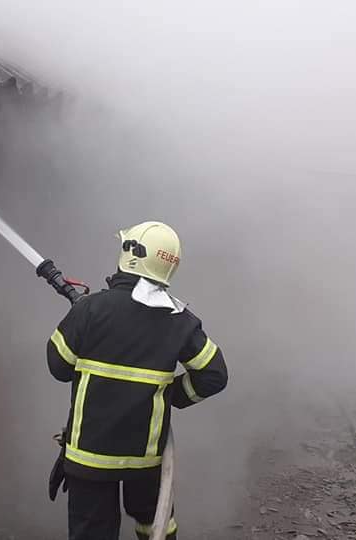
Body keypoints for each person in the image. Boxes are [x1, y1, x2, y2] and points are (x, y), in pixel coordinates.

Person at [47, 221, 228, 539]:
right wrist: (172, 395)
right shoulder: (179, 320)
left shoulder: (92, 310)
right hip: (144, 459)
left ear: (129, 254)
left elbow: (59, 366)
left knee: (93, 532)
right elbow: (214, 375)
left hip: (89, 458)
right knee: (156, 525)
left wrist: (87, 328)